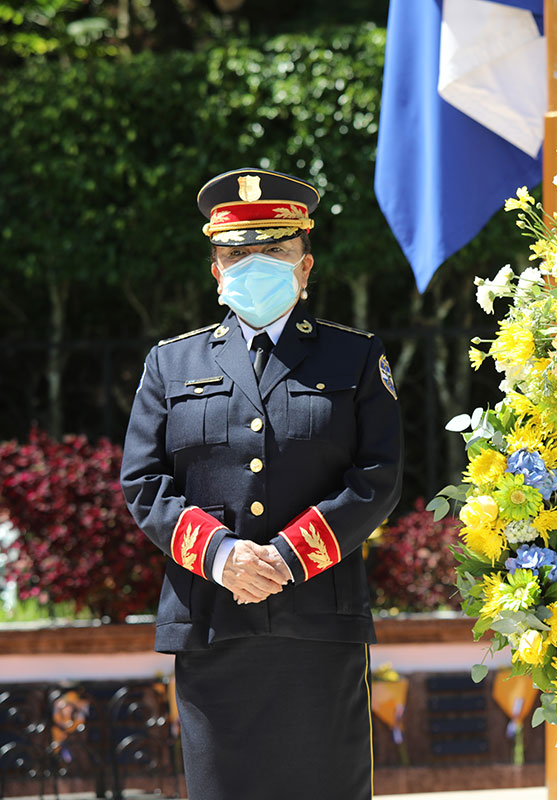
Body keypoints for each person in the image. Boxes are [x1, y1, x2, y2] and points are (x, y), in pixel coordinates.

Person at [120, 167, 403, 800]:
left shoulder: (353, 358)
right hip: (211, 621)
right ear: (215, 271)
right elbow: (143, 481)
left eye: (274, 250)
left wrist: (284, 556)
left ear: (307, 266)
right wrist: (221, 555)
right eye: (237, 253)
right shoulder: (171, 363)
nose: (256, 265)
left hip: (318, 621)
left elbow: (378, 477)